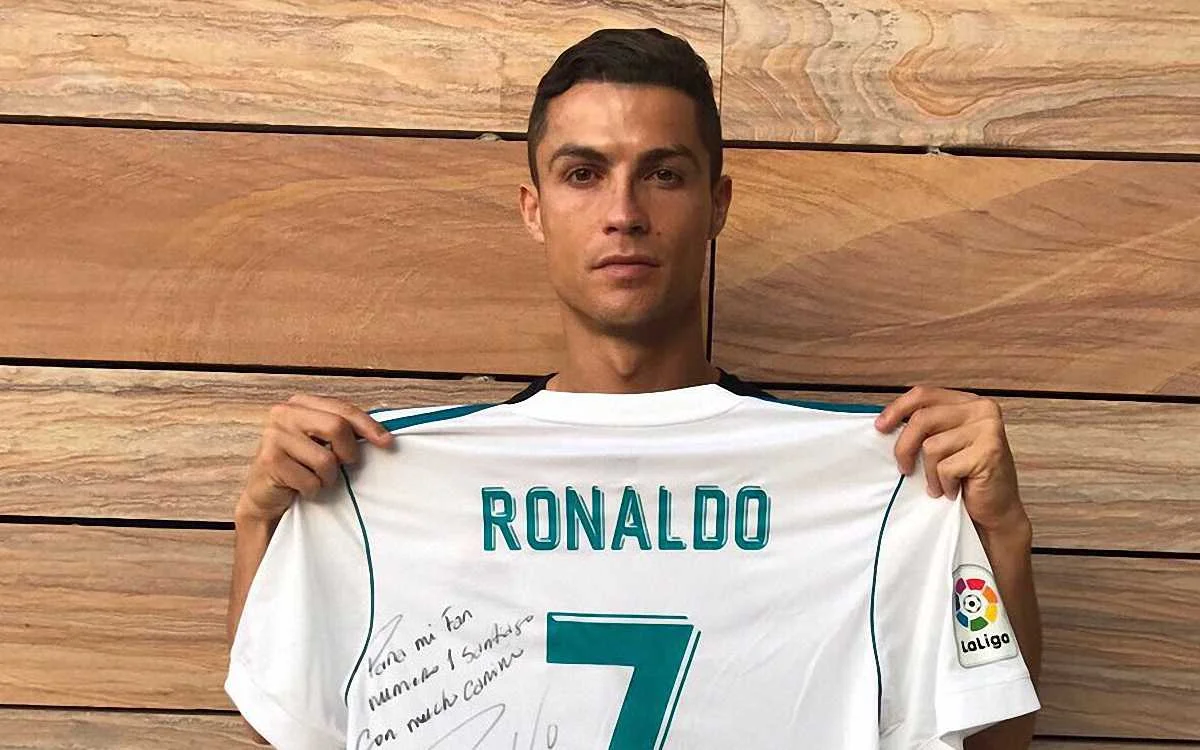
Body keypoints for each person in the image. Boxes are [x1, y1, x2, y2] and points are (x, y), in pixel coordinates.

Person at [226, 27, 1040, 748]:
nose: (624, 212)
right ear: (534, 209)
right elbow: (281, 721)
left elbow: (992, 736)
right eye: (584, 173)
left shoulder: (871, 482)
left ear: (717, 204)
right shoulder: (391, 483)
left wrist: (1000, 532)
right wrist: (262, 522)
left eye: (664, 174)